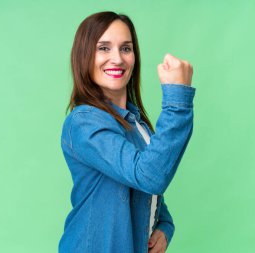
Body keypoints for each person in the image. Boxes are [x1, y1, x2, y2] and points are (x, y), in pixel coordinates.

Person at [59, 11, 195, 253]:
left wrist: (165, 226)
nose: (117, 59)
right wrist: (177, 98)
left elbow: (146, 190)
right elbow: (149, 175)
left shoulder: (137, 123)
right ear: (84, 56)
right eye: (103, 48)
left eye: (126, 48)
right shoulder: (84, 122)